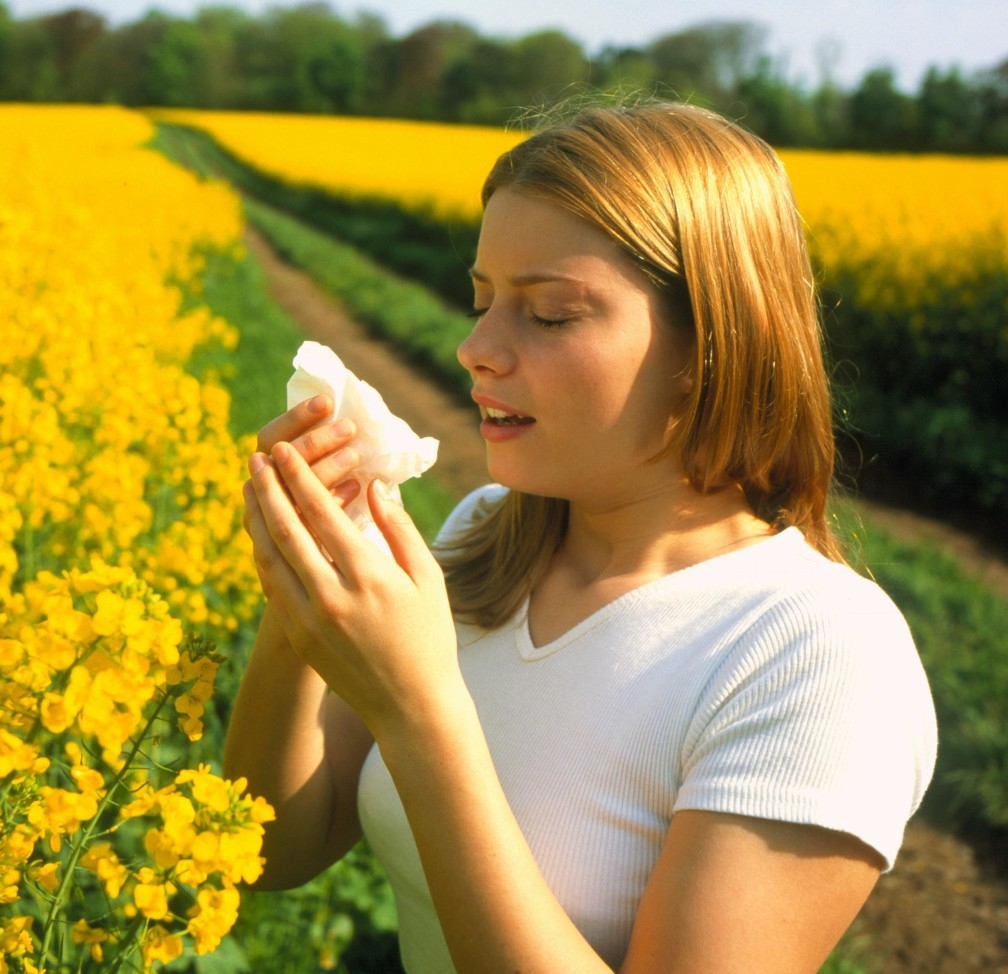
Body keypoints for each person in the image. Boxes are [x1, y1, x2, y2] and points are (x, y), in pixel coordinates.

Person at [225, 100, 938, 973]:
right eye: (481, 300)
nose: (475, 348)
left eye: (551, 314)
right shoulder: (484, 539)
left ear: (712, 344)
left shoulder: (818, 654)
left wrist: (419, 709)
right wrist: (301, 589)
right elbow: (268, 852)